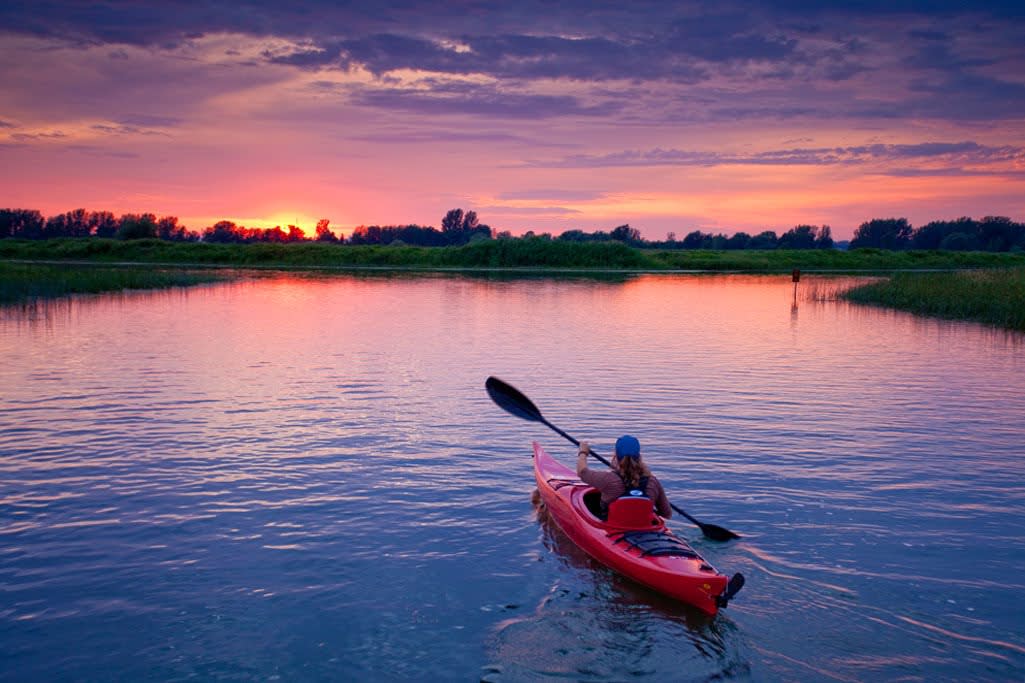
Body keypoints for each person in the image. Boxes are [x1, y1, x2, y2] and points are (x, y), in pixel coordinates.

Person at [576, 435, 672, 519]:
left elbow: (582, 472)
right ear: (639, 456)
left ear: (616, 456)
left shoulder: (608, 480)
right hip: (643, 528)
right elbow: (666, 514)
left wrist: (583, 452)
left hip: (613, 527)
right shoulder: (653, 482)